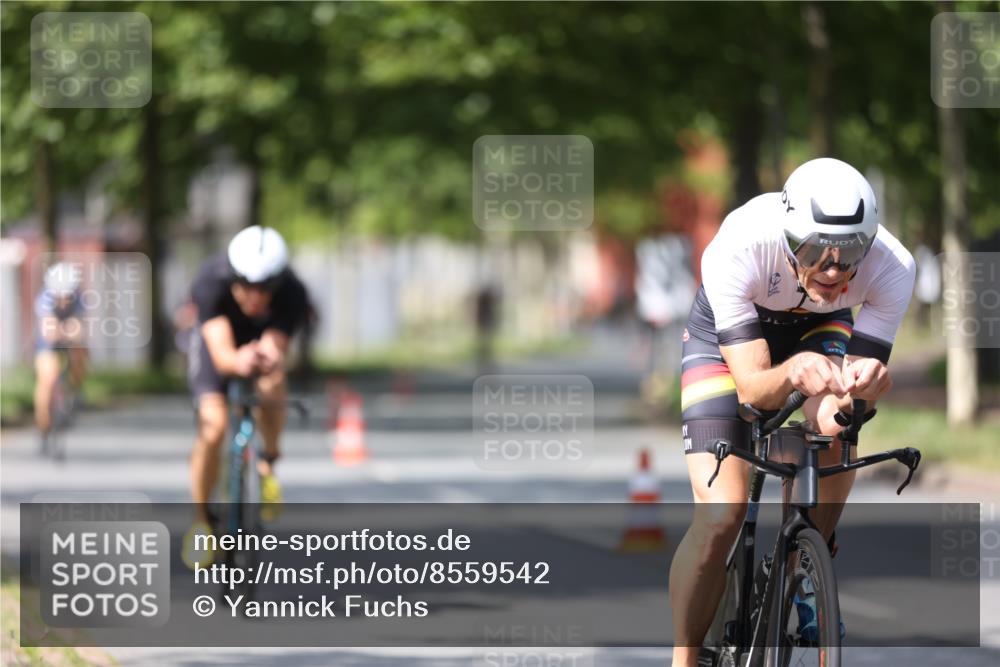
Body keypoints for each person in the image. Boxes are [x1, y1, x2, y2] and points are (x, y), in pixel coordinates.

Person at [668, 158, 915, 666]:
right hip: (728, 340)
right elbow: (756, 391)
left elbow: (856, 395)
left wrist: (870, 387)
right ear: (786, 236)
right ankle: (685, 657)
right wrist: (792, 370)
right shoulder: (739, 245)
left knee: (837, 420)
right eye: (813, 250)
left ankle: (808, 562)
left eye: (849, 254)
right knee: (723, 514)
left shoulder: (894, 265)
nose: (831, 269)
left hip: (817, 331)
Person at [182, 226, 312, 568]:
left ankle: (269, 461)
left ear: (278, 283)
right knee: (213, 426)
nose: (255, 296)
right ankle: (201, 522)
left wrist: (264, 357)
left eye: (264, 288)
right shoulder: (210, 281)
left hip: (259, 341)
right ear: (232, 275)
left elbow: (275, 345)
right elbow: (223, 356)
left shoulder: (293, 292)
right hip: (218, 343)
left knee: (272, 381)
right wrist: (237, 360)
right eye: (246, 286)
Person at [33, 262, 88, 438]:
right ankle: (43, 423)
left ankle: (75, 388)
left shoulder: (78, 297)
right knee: (46, 380)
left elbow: (79, 327)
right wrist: (63, 330)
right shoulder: (44, 299)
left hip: (67, 339)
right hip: (47, 345)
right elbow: (48, 330)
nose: (64, 299)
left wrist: (71, 332)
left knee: (80, 351)